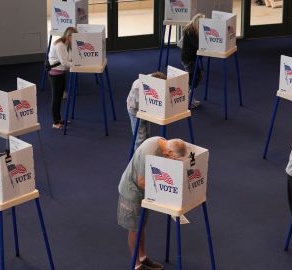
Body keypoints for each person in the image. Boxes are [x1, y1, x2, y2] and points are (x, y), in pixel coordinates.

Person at [118, 137, 189, 270]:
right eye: (174, 159)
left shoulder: (163, 142)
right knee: (134, 229)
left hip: (145, 192)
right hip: (132, 191)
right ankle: (136, 264)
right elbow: (141, 181)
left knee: (141, 225)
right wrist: (165, 194)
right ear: (168, 153)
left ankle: (143, 257)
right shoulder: (148, 152)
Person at [127, 72, 167, 150]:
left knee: (147, 135)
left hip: (146, 109)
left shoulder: (154, 79)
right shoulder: (138, 86)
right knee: (140, 138)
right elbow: (144, 103)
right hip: (135, 110)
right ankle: (139, 157)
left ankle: (146, 153)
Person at [47, 26, 77, 129]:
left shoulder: (66, 44)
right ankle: (55, 123)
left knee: (60, 97)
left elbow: (69, 58)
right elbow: (65, 62)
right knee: (56, 98)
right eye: (74, 37)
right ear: (69, 36)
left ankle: (58, 119)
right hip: (55, 74)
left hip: (61, 73)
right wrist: (77, 64)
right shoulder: (60, 45)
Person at [181, 13, 205, 109]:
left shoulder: (190, 29)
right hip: (188, 60)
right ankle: (188, 100)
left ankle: (190, 98)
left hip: (189, 58)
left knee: (194, 77)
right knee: (193, 78)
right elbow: (198, 46)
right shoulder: (191, 32)